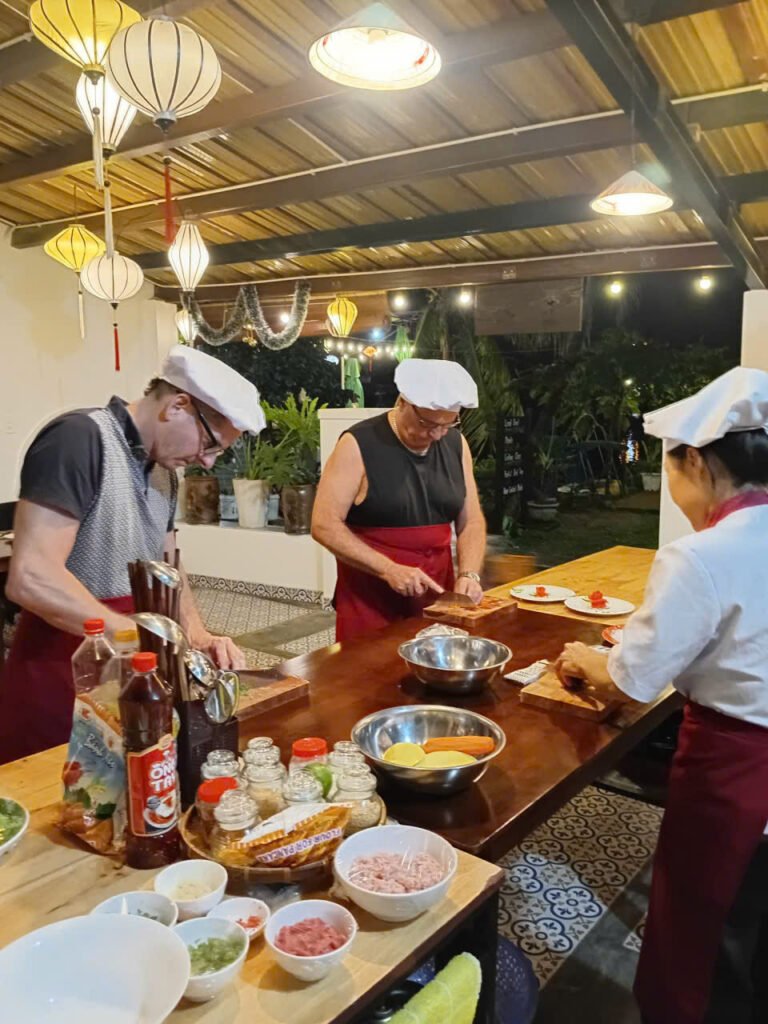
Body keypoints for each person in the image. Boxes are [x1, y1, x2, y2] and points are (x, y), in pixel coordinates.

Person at [554, 365, 768, 1024]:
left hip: (736, 773)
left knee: (702, 933)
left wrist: (588, 659)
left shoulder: (700, 555)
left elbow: (631, 679)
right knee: (755, 934)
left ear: (696, 462)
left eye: (670, 469)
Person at [0, 344, 265, 764]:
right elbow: (31, 576)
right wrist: (136, 636)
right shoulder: (79, 439)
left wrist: (197, 634)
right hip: (62, 664)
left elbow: (169, 566)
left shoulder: (164, 472)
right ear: (177, 406)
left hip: (129, 672)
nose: (207, 462)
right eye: (210, 444)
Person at [312, 358, 486, 641]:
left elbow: (472, 520)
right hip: (371, 599)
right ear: (403, 402)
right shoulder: (358, 444)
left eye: (447, 424)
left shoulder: (456, 444)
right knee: (369, 666)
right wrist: (388, 569)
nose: (436, 434)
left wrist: (469, 574)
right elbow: (324, 525)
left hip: (436, 594)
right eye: (427, 423)